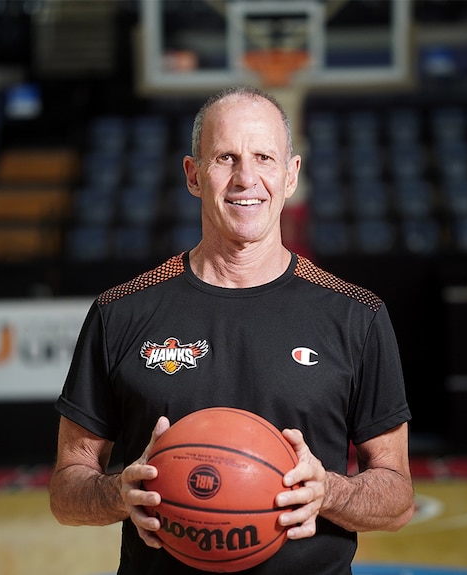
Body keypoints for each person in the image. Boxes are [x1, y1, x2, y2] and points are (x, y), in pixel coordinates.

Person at [50, 86, 414, 574]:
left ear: (290, 176)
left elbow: (398, 498)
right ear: (193, 175)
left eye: (264, 157)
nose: (247, 178)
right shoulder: (121, 312)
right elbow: (66, 490)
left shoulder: (356, 315)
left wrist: (331, 491)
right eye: (226, 157)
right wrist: (118, 493)